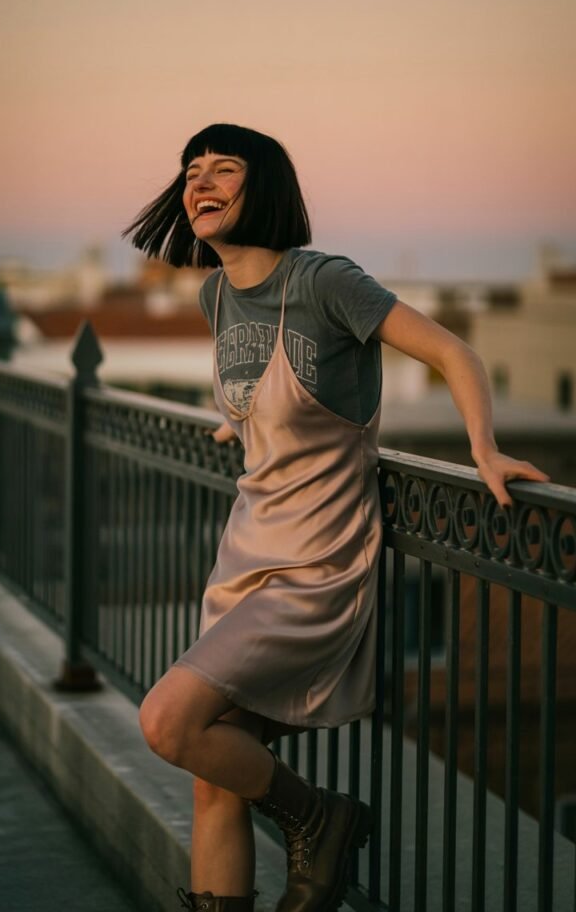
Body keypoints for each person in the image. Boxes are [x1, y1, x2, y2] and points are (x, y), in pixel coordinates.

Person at [122, 123, 549, 912]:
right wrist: (239, 420)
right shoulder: (217, 294)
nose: (200, 185)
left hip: (316, 572)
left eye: (223, 170)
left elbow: (456, 353)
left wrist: (483, 449)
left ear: (267, 188)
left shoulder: (325, 281)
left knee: (167, 722)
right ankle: (304, 831)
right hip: (243, 562)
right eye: (190, 173)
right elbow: (265, 398)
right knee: (215, 780)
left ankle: (318, 818)